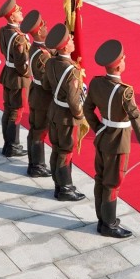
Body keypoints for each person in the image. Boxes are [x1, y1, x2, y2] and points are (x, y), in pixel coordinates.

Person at [84, 39, 140, 238]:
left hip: (102, 137)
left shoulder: (96, 82)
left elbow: (87, 108)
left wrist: (98, 128)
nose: (125, 60)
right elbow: (136, 118)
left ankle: (102, 220)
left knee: (100, 179)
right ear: (118, 65)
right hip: (119, 143)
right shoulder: (125, 92)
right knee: (112, 184)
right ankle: (109, 224)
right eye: (123, 58)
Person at [43, 23, 85, 201]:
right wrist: (81, 116)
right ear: (66, 45)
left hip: (53, 111)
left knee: (57, 149)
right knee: (65, 151)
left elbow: (45, 85)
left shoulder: (51, 61)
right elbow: (74, 102)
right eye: (71, 39)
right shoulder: (72, 70)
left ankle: (59, 184)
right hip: (66, 116)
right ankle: (65, 189)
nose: (74, 41)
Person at [0, 0, 29, 157]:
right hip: (18, 77)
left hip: (7, 73)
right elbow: (22, 63)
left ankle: (7, 143)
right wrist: (31, 74)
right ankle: (13, 145)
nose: (21, 12)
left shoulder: (3, 31)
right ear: (12, 17)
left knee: (8, 109)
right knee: (16, 111)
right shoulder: (19, 37)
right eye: (18, 11)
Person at [21, 10, 52, 177]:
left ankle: (34, 162)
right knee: (39, 130)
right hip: (42, 97)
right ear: (39, 31)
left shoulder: (40, 48)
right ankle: (36, 165)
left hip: (37, 94)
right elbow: (47, 81)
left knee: (36, 129)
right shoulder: (41, 54)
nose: (47, 27)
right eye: (45, 25)